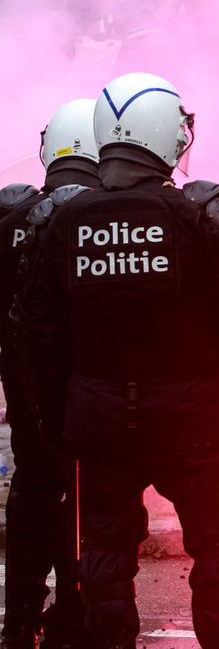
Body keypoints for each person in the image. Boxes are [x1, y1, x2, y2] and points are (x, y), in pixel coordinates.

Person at [18, 72, 219, 648]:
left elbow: (39, 336)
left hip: (99, 414)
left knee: (104, 555)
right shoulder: (200, 214)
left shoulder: (62, 220)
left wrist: (60, 421)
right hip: (193, 415)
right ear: (164, 133)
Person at [0, 99, 99, 649]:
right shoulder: (105, 215)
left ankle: (20, 617)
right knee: (96, 500)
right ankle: (78, 614)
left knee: (35, 491)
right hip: (94, 390)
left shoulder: (11, 218)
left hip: (26, 391)